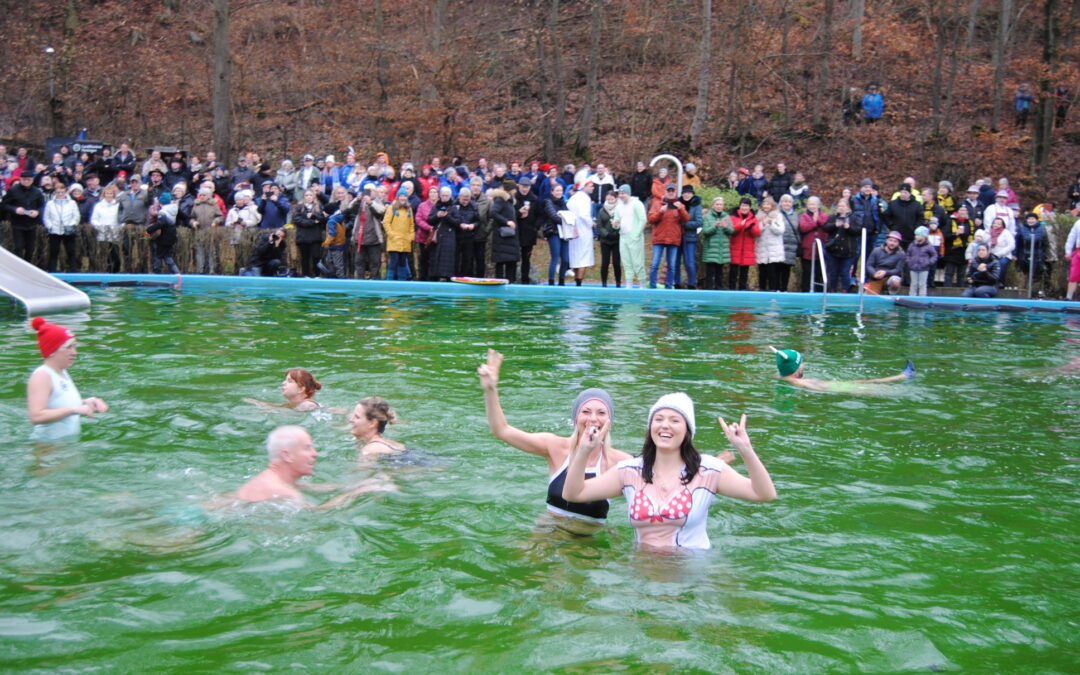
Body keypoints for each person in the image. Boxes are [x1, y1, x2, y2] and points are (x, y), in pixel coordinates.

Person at [561, 393, 776, 550]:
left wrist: (746, 450)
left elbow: (764, 494)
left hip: (692, 568)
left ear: (687, 430)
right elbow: (573, 494)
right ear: (650, 427)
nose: (665, 425)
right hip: (642, 569)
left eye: (675, 420)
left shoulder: (710, 470)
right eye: (658, 419)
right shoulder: (629, 471)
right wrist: (583, 452)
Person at [478, 349, 632, 534]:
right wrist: (490, 389)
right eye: (585, 412)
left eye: (601, 413)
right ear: (575, 418)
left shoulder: (622, 462)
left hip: (585, 542)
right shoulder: (555, 447)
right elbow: (501, 430)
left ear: (609, 421)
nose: (593, 419)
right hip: (546, 531)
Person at [229, 426, 392, 508]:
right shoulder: (284, 491)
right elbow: (317, 514)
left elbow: (312, 487)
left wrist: (354, 485)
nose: (315, 454)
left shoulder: (280, 480)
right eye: (307, 448)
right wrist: (359, 492)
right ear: (287, 455)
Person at [26, 317, 109, 441]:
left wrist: (85, 403)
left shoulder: (62, 372)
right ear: (53, 351)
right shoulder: (42, 376)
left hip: (66, 445)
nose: (75, 352)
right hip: (48, 447)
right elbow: (36, 416)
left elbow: (59, 403)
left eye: (74, 346)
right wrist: (74, 410)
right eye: (69, 347)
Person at [773, 347, 914, 392]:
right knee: (864, 383)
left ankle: (902, 376)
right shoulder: (802, 383)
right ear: (796, 370)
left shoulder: (780, 376)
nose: (805, 364)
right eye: (802, 363)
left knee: (860, 381)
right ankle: (903, 377)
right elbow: (828, 388)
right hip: (838, 388)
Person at [647, 182, 688, 289]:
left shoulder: (680, 205)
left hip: (674, 239)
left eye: (672, 191)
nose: (670, 193)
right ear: (665, 191)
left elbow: (686, 219)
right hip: (659, 239)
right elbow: (650, 220)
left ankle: (669, 287)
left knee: (672, 266)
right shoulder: (657, 204)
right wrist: (660, 211)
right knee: (655, 264)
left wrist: (681, 210)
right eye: (668, 191)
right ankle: (652, 287)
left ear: (675, 192)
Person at [1, 170, 45, 262]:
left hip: (31, 224)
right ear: (21, 179)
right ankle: (19, 266)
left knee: (30, 248)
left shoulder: (37, 192)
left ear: (32, 180)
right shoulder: (13, 190)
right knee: (18, 247)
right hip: (17, 223)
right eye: (24, 179)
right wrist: (15, 209)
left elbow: (42, 206)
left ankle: (28, 265)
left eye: (28, 180)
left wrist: (37, 212)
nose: (26, 181)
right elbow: (4, 205)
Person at [613, 184, 648, 288]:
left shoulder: (637, 204)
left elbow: (643, 220)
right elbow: (617, 220)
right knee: (626, 262)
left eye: (623, 193)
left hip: (634, 237)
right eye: (620, 193)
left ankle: (642, 284)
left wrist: (636, 234)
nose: (621, 195)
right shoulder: (619, 206)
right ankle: (629, 284)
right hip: (623, 237)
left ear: (628, 193)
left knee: (638, 262)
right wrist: (615, 225)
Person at [43, 182, 81, 273]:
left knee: (71, 252)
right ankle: (52, 271)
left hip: (68, 231)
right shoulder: (50, 204)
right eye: (58, 192)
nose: (60, 194)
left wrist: (71, 224)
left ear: (66, 192)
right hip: (55, 231)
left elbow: (76, 216)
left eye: (62, 192)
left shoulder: (72, 203)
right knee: (53, 252)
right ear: (55, 192)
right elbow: (46, 217)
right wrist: (50, 226)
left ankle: (73, 271)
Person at [383, 188, 416, 280]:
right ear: (398, 197)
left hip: (405, 240)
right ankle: (389, 281)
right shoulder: (391, 208)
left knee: (402, 262)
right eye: (401, 196)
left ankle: (402, 281)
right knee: (394, 261)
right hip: (394, 240)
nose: (403, 198)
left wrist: (411, 236)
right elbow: (386, 223)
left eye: (404, 196)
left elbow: (411, 224)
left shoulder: (409, 209)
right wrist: (391, 234)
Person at [728, 197, 760, 290]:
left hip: (747, 250)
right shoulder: (733, 216)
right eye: (742, 205)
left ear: (750, 207)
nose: (744, 208)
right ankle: (731, 290)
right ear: (739, 206)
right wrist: (741, 225)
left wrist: (751, 227)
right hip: (735, 248)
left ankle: (742, 290)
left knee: (744, 273)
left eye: (746, 206)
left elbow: (757, 233)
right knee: (733, 272)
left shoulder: (754, 218)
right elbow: (732, 230)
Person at [701, 196, 733, 290]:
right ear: (713, 205)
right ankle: (709, 290)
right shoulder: (707, 216)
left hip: (722, 249)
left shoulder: (727, 216)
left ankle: (719, 290)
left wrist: (726, 227)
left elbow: (731, 231)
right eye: (717, 204)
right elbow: (706, 232)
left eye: (721, 204)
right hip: (711, 249)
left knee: (720, 273)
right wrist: (715, 226)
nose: (719, 206)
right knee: (710, 273)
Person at [542, 183, 571, 285]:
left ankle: (562, 281)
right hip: (553, 232)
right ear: (552, 192)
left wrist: (568, 220)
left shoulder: (563, 202)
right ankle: (551, 281)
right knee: (555, 257)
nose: (559, 193)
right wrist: (566, 221)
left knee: (566, 259)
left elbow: (570, 215)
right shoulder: (548, 202)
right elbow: (553, 216)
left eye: (561, 191)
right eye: (557, 190)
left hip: (565, 233)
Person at [674, 184, 702, 289]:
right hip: (678, 237)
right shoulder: (678, 204)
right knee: (676, 262)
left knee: (689, 262)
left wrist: (686, 224)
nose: (686, 195)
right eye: (685, 192)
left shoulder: (696, 205)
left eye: (689, 193)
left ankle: (692, 283)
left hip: (690, 238)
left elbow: (699, 222)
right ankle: (676, 283)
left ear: (692, 194)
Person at [596, 190, 622, 287]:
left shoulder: (620, 209)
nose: (610, 201)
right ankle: (604, 283)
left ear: (616, 199)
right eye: (608, 199)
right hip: (605, 240)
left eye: (612, 199)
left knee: (616, 262)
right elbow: (599, 225)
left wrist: (616, 233)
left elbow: (623, 222)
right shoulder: (602, 210)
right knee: (605, 262)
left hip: (616, 240)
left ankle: (618, 283)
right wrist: (606, 234)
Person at [906, 226, 939, 296]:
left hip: (924, 268)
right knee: (913, 284)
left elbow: (934, 255)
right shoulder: (912, 245)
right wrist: (909, 262)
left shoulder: (929, 246)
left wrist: (928, 262)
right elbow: (908, 254)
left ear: (924, 236)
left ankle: (922, 298)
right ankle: (912, 298)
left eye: (918, 235)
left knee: (922, 284)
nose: (916, 237)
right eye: (916, 235)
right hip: (913, 268)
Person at [1065, 216, 1080, 301]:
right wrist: (1068, 251)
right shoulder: (1078, 223)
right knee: (1073, 276)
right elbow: (1071, 237)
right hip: (1078, 252)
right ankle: (1068, 297)